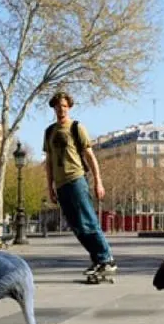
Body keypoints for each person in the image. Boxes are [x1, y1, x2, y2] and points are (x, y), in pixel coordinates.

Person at [43, 90, 116, 283]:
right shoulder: (49, 132)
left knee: (88, 221)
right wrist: (49, 187)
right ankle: (97, 259)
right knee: (77, 226)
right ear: (54, 108)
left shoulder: (76, 128)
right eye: (58, 107)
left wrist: (98, 181)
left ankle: (106, 258)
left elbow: (90, 156)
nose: (61, 110)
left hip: (76, 179)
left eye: (65, 106)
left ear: (70, 107)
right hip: (61, 184)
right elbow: (49, 162)